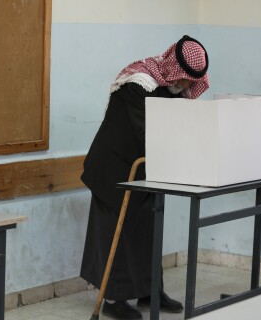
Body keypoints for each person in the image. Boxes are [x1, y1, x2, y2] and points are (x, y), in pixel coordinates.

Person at [79, 35, 210, 319]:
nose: (187, 86)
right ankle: (114, 298)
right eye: (186, 79)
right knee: (117, 232)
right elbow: (144, 132)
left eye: (191, 81)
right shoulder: (136, 85)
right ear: (175, 68)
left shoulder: (171, 88)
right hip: (113, 169)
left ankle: (150, 291)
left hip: (145, 171)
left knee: (149, 229)